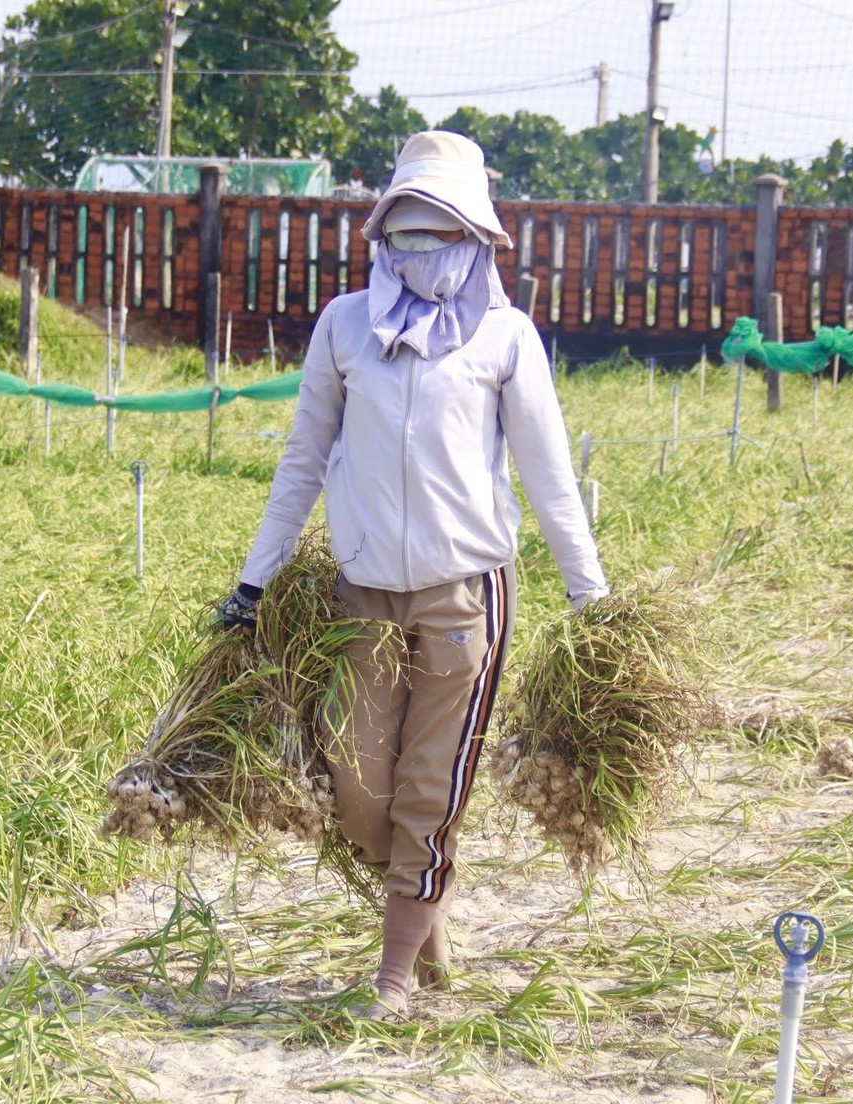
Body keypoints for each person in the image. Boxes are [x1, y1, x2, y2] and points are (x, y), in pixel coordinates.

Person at [218, 131, 608, 1019]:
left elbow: (549, 477)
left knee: (431, 788)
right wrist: (254, 581)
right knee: (359, 793)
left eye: (435, 233)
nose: (416, 251)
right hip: (362, 598)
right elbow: (303, 459)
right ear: (381, 234)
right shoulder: (345, 324)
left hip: (465, 595)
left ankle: (392, 978)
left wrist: (592, 596)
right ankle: (426, 931)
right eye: (402, 233)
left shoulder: (505, 337)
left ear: (475, 237)